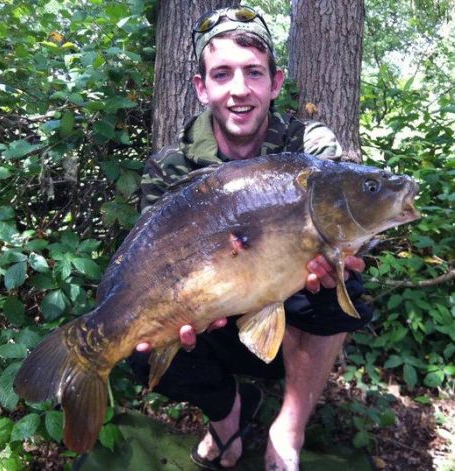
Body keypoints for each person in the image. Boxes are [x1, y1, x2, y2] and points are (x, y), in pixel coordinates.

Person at [128, 6, 371, 471]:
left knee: (341, 288)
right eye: (222, 74)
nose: (239, 90)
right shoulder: (171, 166)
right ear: (202, 87)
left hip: (282, 312)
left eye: (253, 73)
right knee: (142, 348)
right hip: (209, 313)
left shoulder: (310, 149)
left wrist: (346, 256)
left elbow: (348, 217)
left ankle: (289, 429)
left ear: (275, 83)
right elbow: (153, 258)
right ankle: (227, 417)